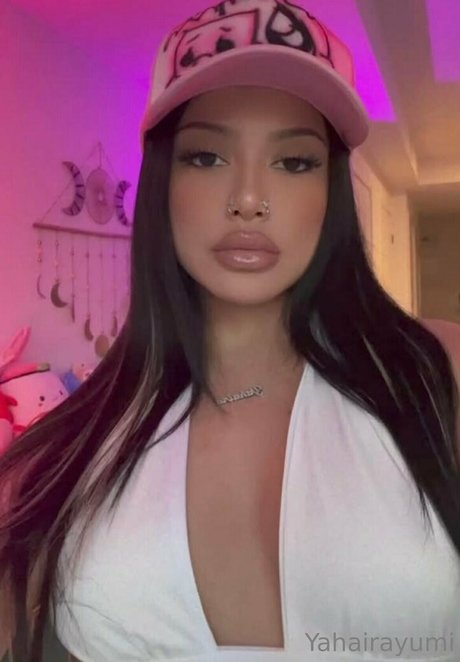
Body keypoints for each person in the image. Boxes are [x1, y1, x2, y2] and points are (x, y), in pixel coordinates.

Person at [1, 0, 460, 660]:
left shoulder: (438, 371)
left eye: (294, 162)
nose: (248, 198)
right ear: (163, 182)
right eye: (207, 157)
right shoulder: (64, 452)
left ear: (331, 192)